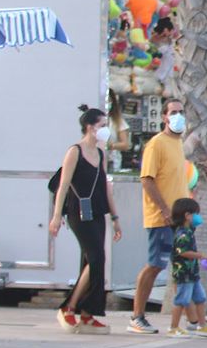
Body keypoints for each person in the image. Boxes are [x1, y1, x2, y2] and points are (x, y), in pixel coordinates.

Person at [48, 106, 122, 333]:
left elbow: (106, 187)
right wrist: (56, 216)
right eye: (101, 126)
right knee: (96, 257)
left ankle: (88, 314)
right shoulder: (75, 151)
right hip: (78, 212)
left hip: (97, 212)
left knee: (94, 261)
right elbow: (62, 186)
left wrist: (115, 217)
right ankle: (69, 307)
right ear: (90, 127)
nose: (105, 130)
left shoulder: (99, 154)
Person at [129, 98, 192, 334]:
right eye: (173, 112)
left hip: (179, 220)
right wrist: (165, 210)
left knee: (181, 268)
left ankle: (186, 321)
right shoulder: (156, 144)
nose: (178, 116)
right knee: (155, 265)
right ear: (164, 117)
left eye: (181, 111)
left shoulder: (178, 144)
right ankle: (137, 316)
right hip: (161, 219)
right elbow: (147, 179)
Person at [167, 198, 207, 337]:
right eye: (196, 214)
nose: (199, 217)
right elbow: (183, 251)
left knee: (200, 298)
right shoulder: (182, 234)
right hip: (184, 274)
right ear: (187, 215)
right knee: (182, 300)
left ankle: (202, 325)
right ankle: (173, 327)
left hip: (192, 274)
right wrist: (201, 256)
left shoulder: (189, 230)